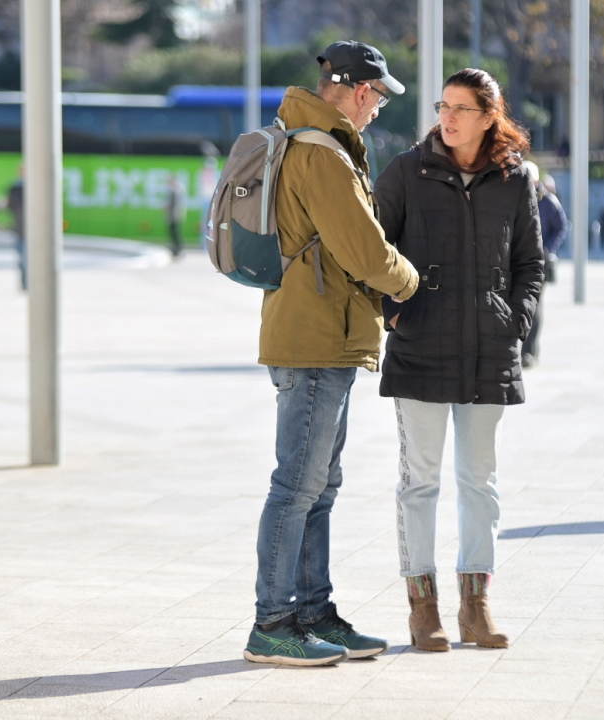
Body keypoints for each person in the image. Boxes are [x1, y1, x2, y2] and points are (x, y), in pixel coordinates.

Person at [243, 40, 419, 667]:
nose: (377, 112)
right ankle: (273, 622)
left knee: (320, 484)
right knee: (298, 484)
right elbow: (366, 253)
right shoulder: (323, 154)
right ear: (363, 91)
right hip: (317, 336)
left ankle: (313, 612)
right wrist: (411, 283)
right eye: (377, 99)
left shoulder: (305, 137)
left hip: (321, 331)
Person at [374, 68, 543, 652]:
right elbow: (370, 249)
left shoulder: (514, 181)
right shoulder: (406, 171)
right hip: (420, 349)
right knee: (419, 483)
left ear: (489, 117)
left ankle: (477, 604)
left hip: (488, 353)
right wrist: (392, 311)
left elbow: (530, 265)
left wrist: (514, 321)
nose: (447, 118)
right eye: (444, 106)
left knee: (481, 485)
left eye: (461, 109)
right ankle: (424, 609)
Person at [522, 165, 568, 368]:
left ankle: (529, 352)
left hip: (539, 262)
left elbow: (562, 227)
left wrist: (548, 249)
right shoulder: (516, 200)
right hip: (518, 261)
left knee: (534, 306)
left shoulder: (548, 202)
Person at [7, 165, 26, 291]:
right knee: (23, 258)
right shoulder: (16, 188)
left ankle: (26, 282)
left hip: (22, 228)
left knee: (23, 258)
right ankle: (25, 283)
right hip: (21, 228)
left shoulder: (15, 188)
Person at [166, 175, 186, 258]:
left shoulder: (176, 191)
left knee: (175, 233)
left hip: (174, 215)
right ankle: (176, 248)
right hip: (174, 215)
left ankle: (178, 249)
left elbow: (174, 204)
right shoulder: (175, 190)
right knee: (174, 233)